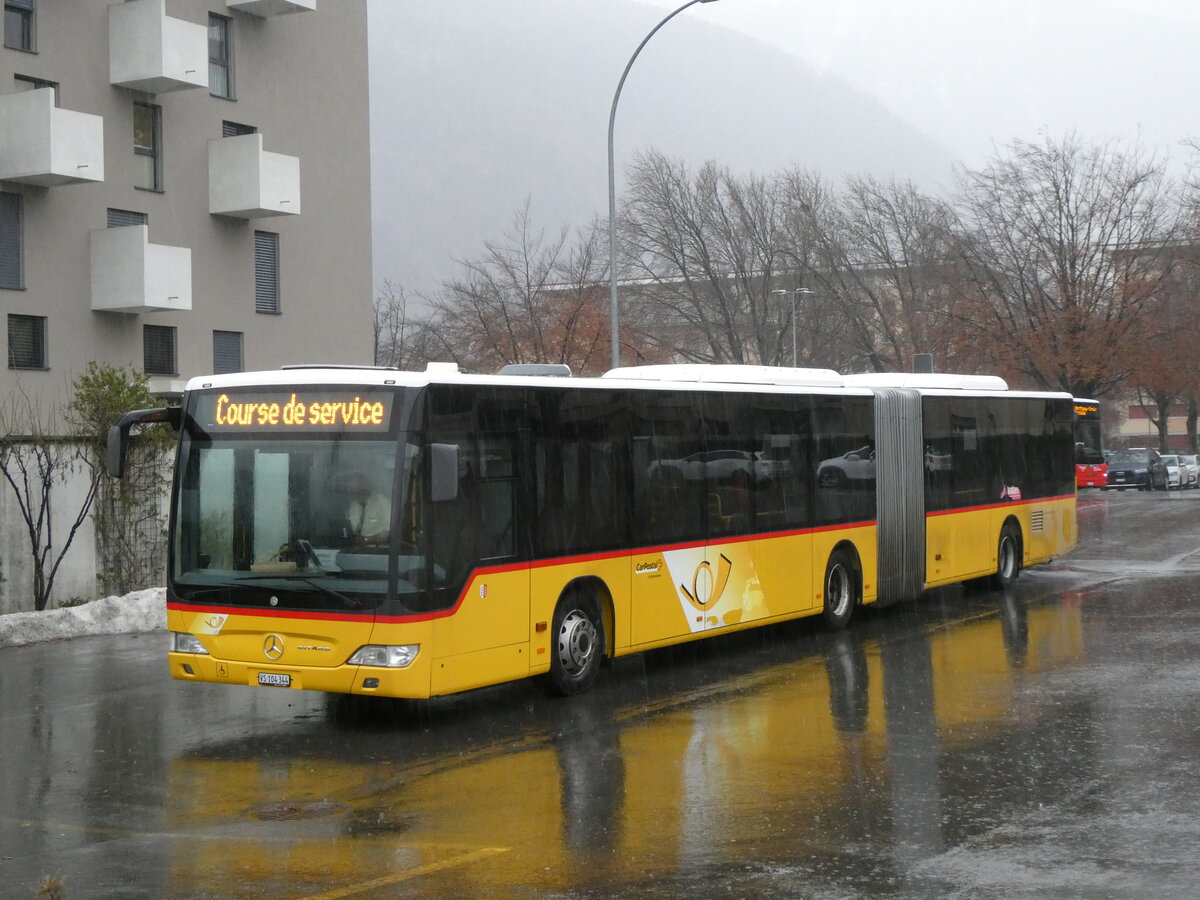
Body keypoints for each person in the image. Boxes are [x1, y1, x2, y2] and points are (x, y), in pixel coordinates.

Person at [344, 470, 390, 544]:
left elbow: (389, 533)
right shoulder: (353, 506)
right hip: (354, 548)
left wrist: (366, 540)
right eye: (352, 491)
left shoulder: (383, 503)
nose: (355, 494)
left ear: (365, 487)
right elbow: (349, 530)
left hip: (377, 549)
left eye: (358, 491)